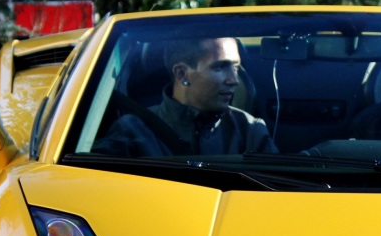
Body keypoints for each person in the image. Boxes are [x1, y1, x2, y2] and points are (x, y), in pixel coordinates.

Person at [95, 37, 278, 156]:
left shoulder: (250, 129)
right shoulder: (132, 130)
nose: (234, 80)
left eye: (236, 67)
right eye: (220, 67)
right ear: (182, 74)